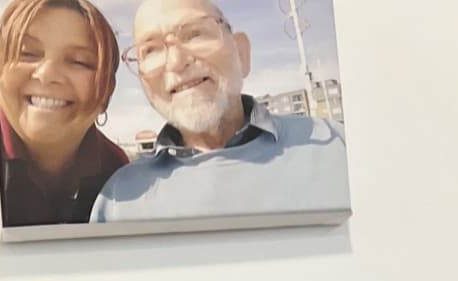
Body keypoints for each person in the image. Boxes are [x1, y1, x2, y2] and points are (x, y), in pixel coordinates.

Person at [91, 0, 349, 225]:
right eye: (151, 50)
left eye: (194, 34)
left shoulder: (338, 147)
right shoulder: (119, 200)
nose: (176, 61)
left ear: (241, 52)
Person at [0, 0, 127, 227]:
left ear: (106, 93)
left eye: (79, 62)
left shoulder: (117, 174)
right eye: (27, 53)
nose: (47, 74)